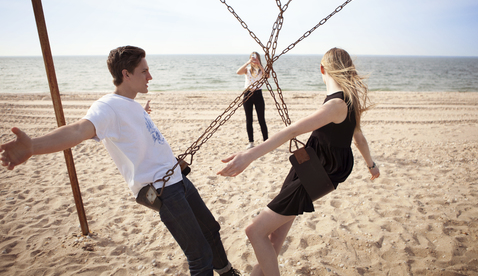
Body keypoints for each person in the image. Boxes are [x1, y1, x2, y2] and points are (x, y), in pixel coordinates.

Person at [0, 46, 241, 276]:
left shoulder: (129, 104)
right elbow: (77, 130)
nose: (150, 76)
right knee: (198, 253)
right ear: (126, 74)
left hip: (176, 178)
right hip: (163, 189)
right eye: (144, 71)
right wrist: (32, 146)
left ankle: (226, 272)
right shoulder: (107, 107)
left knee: (211, 231)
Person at [218, 48, 380, 276]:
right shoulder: (349, 101)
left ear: (322, 69)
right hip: (309, 169)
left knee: (254, 231)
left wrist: (248, 155)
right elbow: (359, 138)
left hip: (315, 175)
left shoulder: (335, 106)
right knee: (273, 239)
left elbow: (290, 131)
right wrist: (371, 165)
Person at [236, 51, 269, 149]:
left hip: (258, 94)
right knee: (249, 119)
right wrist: (248, 62)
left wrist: (259, 65)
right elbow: (238, 72)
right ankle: (251, 142)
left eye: (256, 58)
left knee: (261, 119)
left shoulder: (261, 70)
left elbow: (267, 76)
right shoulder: (247, 69)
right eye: (252, 58)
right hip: (247, 94)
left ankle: (266, 141)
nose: (254, 59)